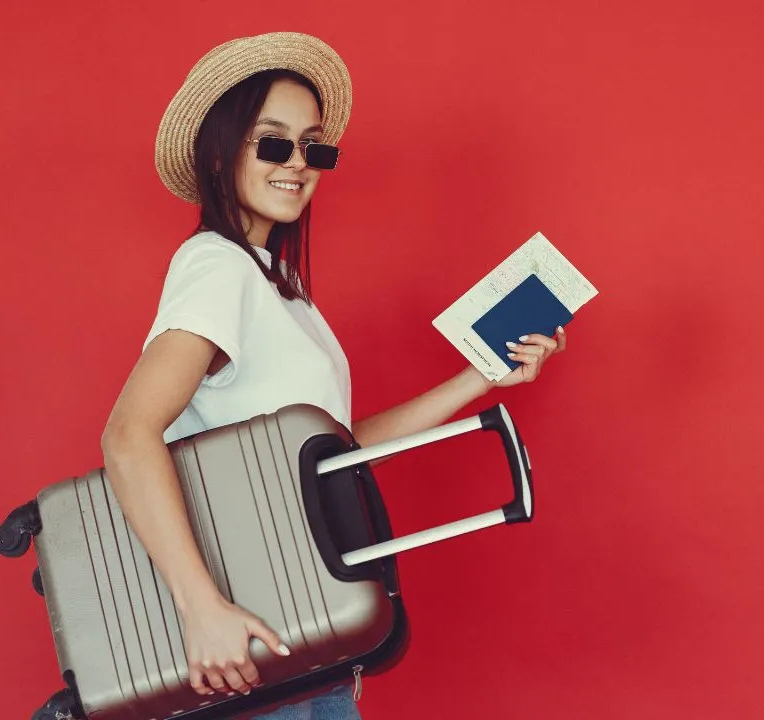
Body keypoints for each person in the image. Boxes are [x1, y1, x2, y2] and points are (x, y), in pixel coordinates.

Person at [99, 32, 567, 719]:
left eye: (314, 146)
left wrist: (479, 378)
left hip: (306, 625)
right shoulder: (217, 268)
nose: (299, 163)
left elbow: (333, 450)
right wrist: (202, 611)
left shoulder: (275, 282)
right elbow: (127, 434)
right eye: (273, 142)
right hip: (248, 635)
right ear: (220, 151)